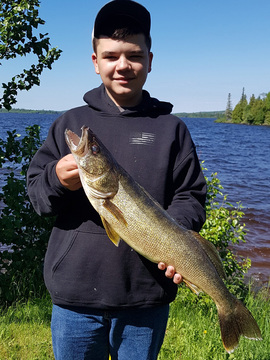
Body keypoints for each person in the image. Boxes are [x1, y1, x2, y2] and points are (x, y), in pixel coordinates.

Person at [27, 1, 207, 359]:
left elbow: (190, 196)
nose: (122, 65)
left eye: (134, 55)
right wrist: (58, 180)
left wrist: (176, 239)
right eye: (110, 56)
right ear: (95, 62)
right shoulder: (69, 122)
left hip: (145, 297)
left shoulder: (172, 128)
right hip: (74, 297)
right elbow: (37, 195)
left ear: (150, 60)